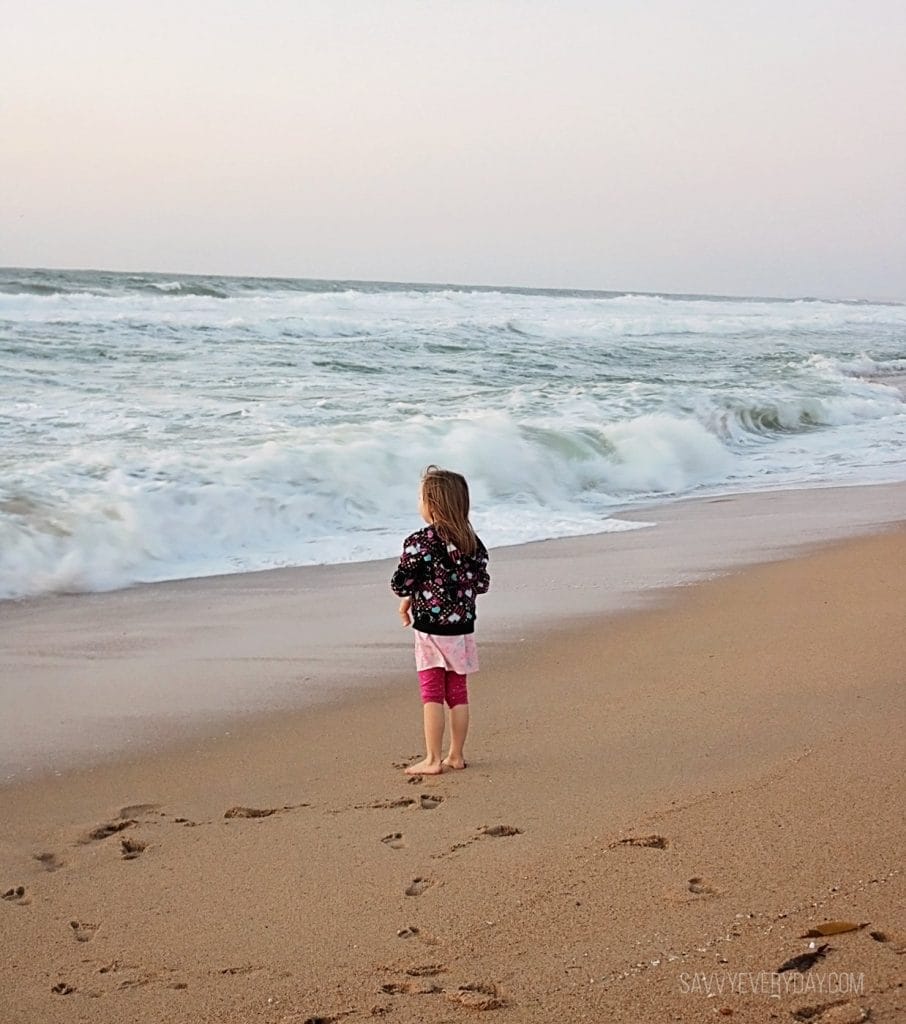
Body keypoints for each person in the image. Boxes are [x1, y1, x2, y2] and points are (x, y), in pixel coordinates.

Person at [390, 465, 490, 775]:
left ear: (432, 504)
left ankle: (433, 759)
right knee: (457, 691)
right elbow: (481, 583)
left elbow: (401, 583)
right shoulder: (472, 542)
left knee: (432, 693)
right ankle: (456, 755)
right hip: (460, 630)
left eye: (421, 498)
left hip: (430, 632)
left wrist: (409, 594)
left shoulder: (419, 543)